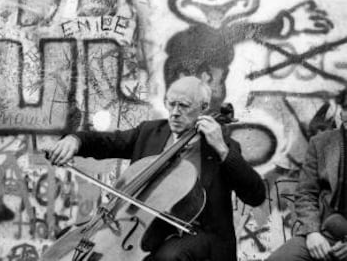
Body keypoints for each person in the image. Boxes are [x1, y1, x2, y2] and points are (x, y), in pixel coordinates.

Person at [48, 76, 266, 261]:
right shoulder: (151, 132)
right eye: (170, 104)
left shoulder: (220, 145)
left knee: (167, 257)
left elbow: (255, 195)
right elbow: (108, 142)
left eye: (184, 106)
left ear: (204, 108)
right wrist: (75, 140)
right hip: (140, 227)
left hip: (200, 233)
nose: (174, 112)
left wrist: (221, 149)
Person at [267, 90, 347, 261]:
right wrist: (312, 232)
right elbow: (305, 193)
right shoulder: (321, 143)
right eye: (346, 108)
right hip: (326, 231)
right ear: (341, 112)